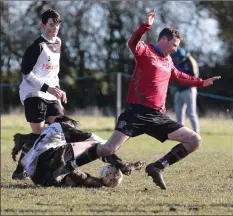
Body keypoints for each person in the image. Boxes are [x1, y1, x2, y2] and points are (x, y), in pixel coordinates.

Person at [53, 10, 221, 190]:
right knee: (108, 149)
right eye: (174, 44)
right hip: (135, 113)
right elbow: (132, 42)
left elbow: (179, 76)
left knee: (194, 140)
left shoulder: (168, 61)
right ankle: (68, 167)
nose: (176, 49)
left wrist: (201, 82)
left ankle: (157, 167)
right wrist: (145, 26)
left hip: (157, 116)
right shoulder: (145, 50)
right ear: (163, 40)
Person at [12, 9, 67, 180]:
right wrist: (47, 88)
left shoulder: (58, 42)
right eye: (51, 25)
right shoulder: (37, 46)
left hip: (50, 93)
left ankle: (44, 164)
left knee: (59, 130)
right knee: (39, 134)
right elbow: (26, 74)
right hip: (32, 92)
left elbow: (54, 73)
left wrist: (57, 92)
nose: (55, 28)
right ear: (43, 26)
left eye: (57, 25)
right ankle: (20, 170)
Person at [19, 115, 145, 187]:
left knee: (73, 181)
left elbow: (25, 162)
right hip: (48, 157)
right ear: (69, 123)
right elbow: (103, 147)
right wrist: (121, 164)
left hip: (39, 178)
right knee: (95, 144)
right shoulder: (63, 126)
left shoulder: (46, 134)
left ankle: (90, 180)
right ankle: (65, 167)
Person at [171, 47, 200, 134]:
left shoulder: (190, 61)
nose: (176, 60)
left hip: (189, 89)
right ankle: (181, 133)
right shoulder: (176, 61)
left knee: (191, 113)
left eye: (178, 58)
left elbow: (194, 77)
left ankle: (196, 133)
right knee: (179, 114)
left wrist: (181, 72)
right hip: (179, 90)